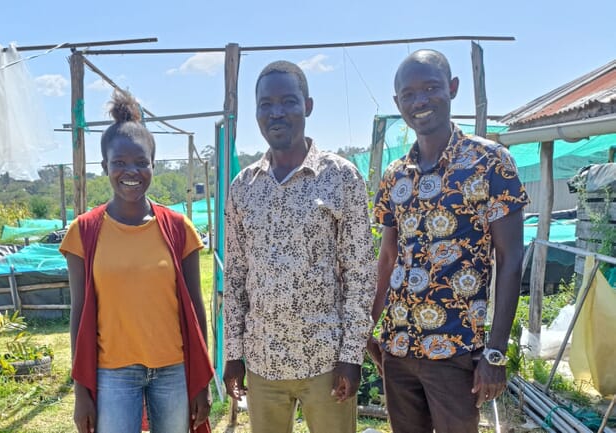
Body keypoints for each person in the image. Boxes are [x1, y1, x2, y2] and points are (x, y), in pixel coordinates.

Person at [368, 49, 529, 433]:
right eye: (408, 94)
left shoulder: (490, 162)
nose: (420, 101)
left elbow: (510, 260)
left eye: (431, 88)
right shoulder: (395, 174)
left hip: (456, 349)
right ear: (398, 103)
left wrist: (495, 351)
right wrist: (368, 328)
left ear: (452, 88)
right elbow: (388, 257)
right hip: (399, 346)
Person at [222, 60, 376, 433]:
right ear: (256, 111)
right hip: (263, 361)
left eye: (288, 101)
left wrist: (351, 355)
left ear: (307, 106)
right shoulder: (243, 186)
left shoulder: (340, 177)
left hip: (325, 362)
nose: (277, 113)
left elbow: (360, 273)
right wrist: (233, 354)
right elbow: (236, 275)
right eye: (265, 104)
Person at [60, 90, 213, 433]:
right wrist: (81, 390)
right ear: (105, 167)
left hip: (174, 370)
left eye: (141, 162)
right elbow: (79, 314)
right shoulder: (83, 232)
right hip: (112, 372)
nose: (132, 171)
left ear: (153, 166)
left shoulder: (177, 228)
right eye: (120, 163)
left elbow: (195, 309)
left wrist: (200, 380)